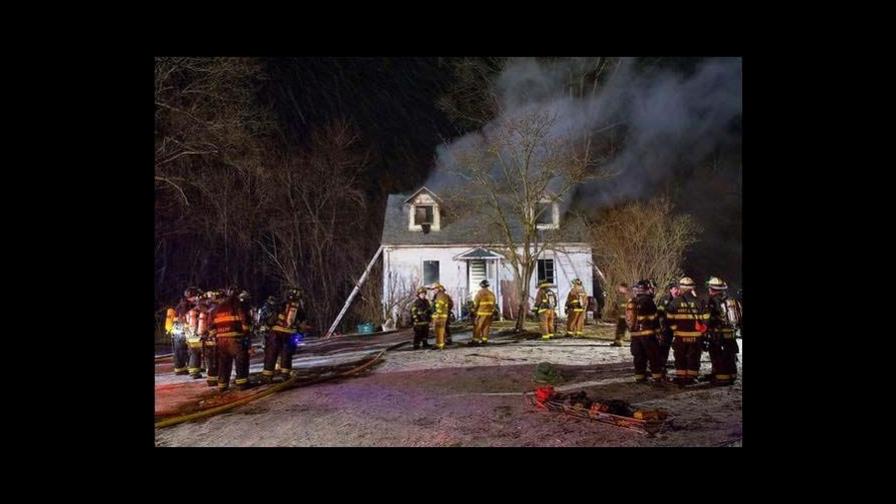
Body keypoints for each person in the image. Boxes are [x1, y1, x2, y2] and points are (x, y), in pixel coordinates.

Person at [626, 280, 664, 383]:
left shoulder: (632, 301)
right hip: (648, 335)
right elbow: (654, 319)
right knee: (654, 356)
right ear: (647, 289)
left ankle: (639, 378)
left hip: (635, 335)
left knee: (639, 357)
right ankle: (657, 378)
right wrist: (659, 333)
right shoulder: (648, 301)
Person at [472, 280, 496, 345]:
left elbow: (476, 304)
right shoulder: (491, 294)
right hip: (489, 313)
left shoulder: (480, 293)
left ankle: (475, 340)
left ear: (481, 285)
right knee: (486, 326)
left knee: (478, 326)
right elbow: (494, 304)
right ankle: (484, 340)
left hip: (481, 313)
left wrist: (473, 310)